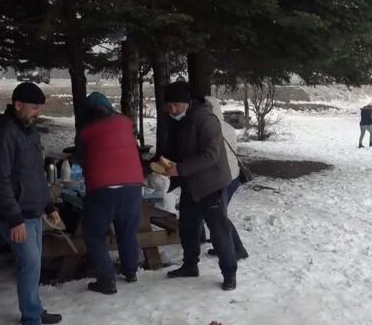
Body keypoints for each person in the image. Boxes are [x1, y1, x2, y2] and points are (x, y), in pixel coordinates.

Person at [0, 83, 62, 325]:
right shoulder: (4, 132)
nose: (37, 113)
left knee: (35, 265)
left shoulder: (29, 131)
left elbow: (35, 174)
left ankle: (35, 308)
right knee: (29, 266)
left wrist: (48, 206)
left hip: (32, 210)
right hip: (16, 215)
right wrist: (13, 218)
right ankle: (31, 323)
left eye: (39, 108)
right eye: (33, 107)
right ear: (17, 105)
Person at [160, 82, 238, 291]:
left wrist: (181, 169)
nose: (172, 110)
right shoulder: (177, 120)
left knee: (219, 230)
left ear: (186, 102)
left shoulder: (206, 120)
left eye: (176, 105)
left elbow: (210, 155)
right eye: (169, 105)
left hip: (211, 184)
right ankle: (190, 265)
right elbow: (175, 149)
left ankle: (229, 273)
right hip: (191, 184)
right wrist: (163, 162)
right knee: (187, 226)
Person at [75, 92, 144, 295]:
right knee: (127, 230)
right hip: (132, 185)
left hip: (102, 187)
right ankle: (131, 271)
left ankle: (106, 280)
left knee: (95, 234)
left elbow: (81, 159)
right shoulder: (125, 123)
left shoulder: (85, 131)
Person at [205, 96, 248, 261]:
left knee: (218, 216)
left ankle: (237, 248)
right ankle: (223, 245)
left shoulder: (211, 128)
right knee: (215, 214)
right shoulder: (228, 127)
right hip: (233, 176)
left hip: (221, 179)